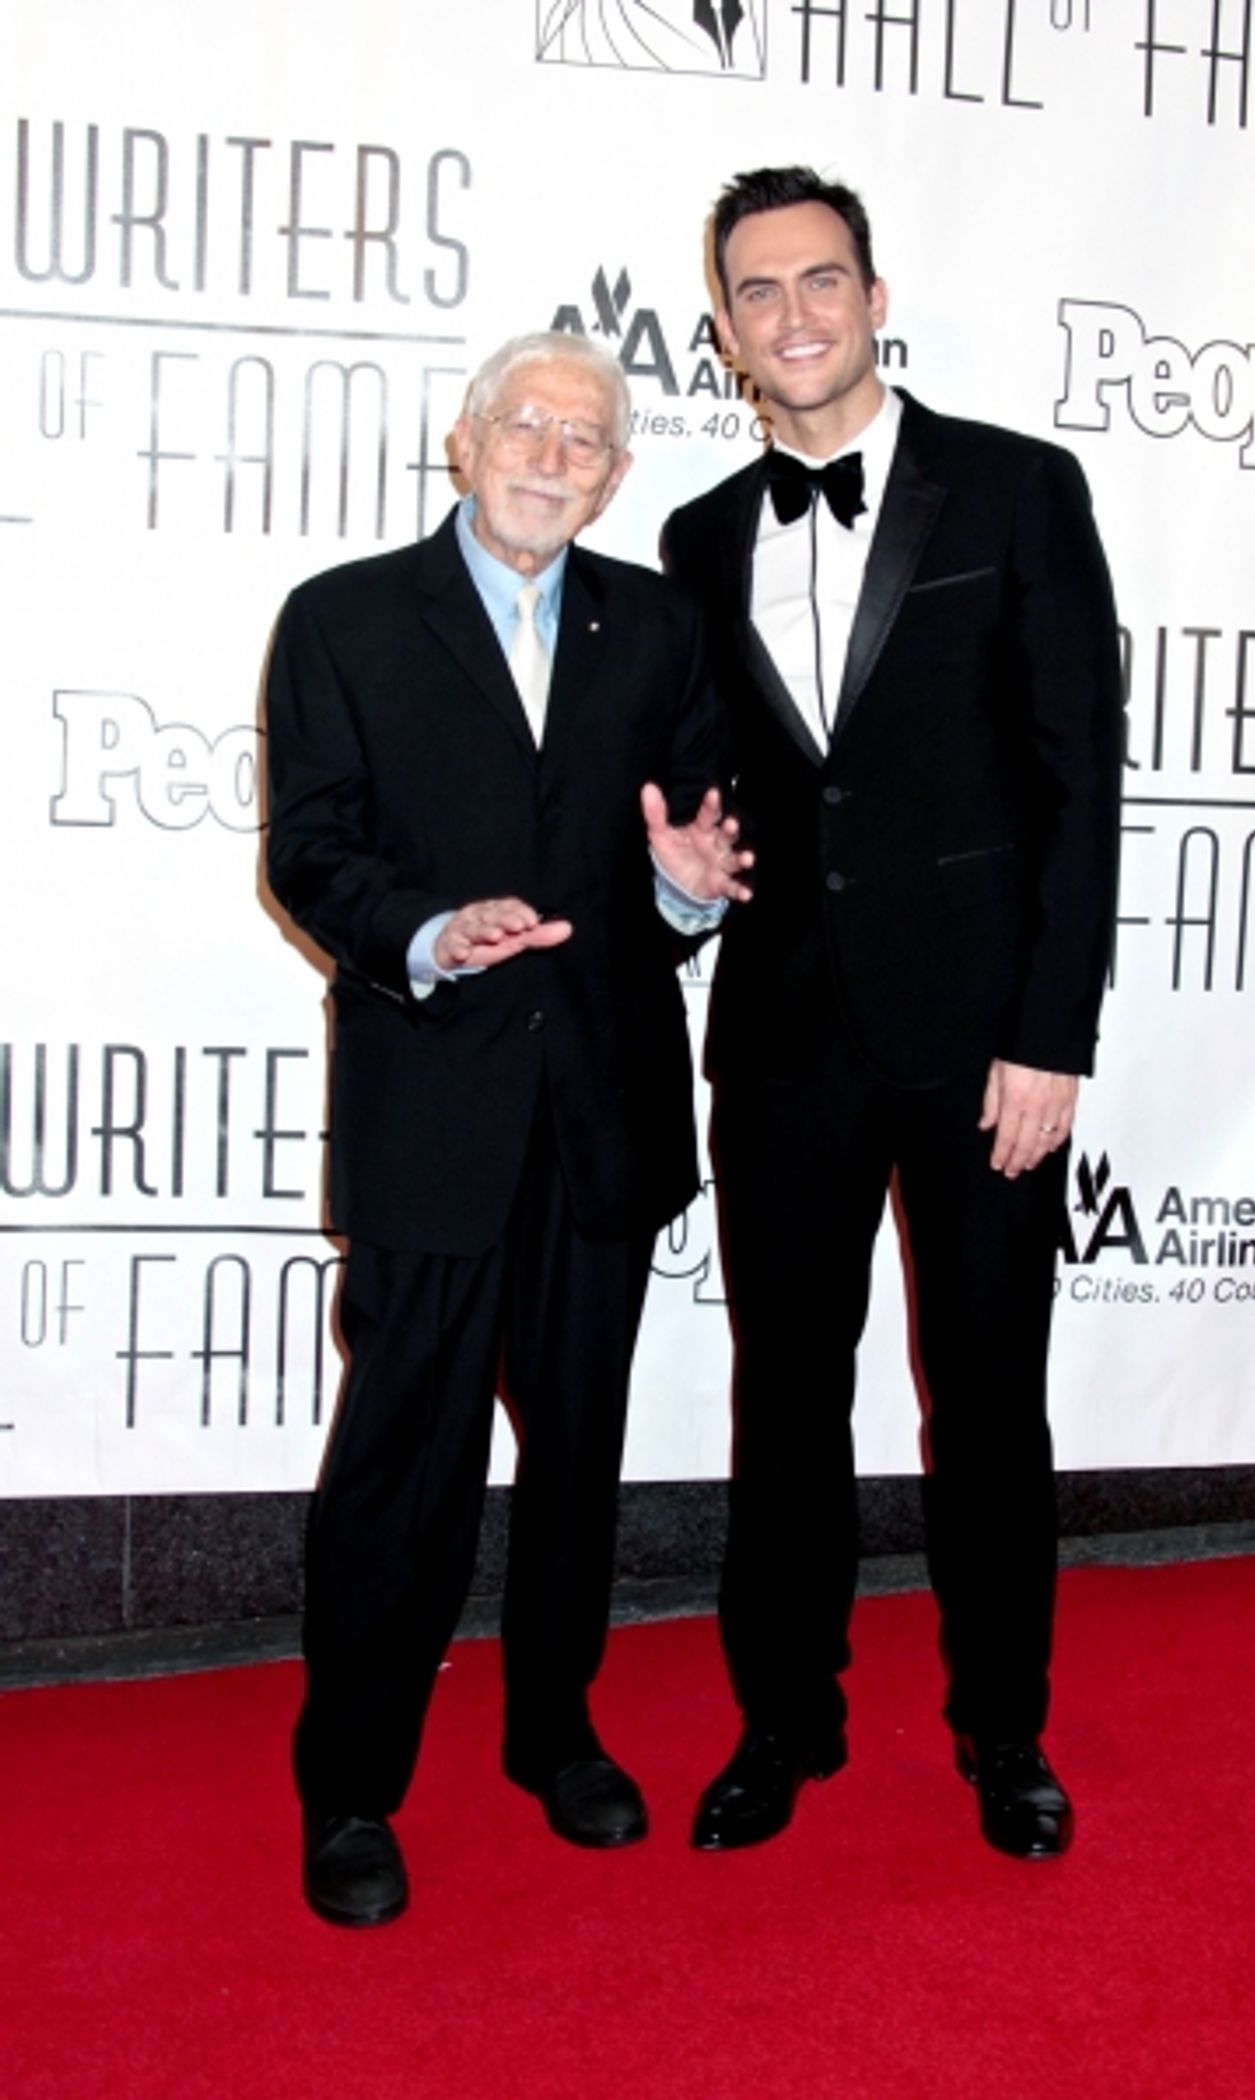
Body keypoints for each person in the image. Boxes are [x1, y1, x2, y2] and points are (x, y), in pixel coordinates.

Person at [662, 168, 1122, 1859]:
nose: (792, 313)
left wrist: (1054, 1034)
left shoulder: (1016, 488)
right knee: (785, 1401)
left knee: (989, 1397)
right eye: (757, 290)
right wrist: (684, 865)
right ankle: (787, 1717)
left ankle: (1005, 1728)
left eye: (820, 280)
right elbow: (716, 786)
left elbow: (1081, 780)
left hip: (988, 1044)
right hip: (784, 1043)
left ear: (872, 296)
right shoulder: (699, 538)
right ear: (724, 330)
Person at [266, 330, 749, 1926]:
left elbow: (693, 844)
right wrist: (425, 932)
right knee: (401, 1463)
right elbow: (312, 852)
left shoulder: (662, 628)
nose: (550, 455)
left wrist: (689, 894)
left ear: (616, 476)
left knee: (580, 1451)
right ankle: (352, 1787)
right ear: (464, 442)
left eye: (583, 438)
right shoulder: (341, 620)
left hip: (602, 1110)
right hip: (430, 1105)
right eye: (524, 426)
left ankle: (554, 1731)